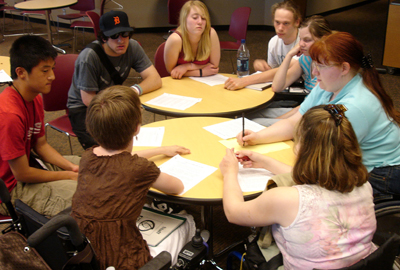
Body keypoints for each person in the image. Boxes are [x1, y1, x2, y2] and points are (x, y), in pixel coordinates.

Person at [237, 32, 400, 201]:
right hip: (342, 161)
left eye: (321, 66)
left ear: (344, 68)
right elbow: (295, 122)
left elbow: (317, 170)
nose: (314, 72)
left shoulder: (355, 107)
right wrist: (258, 137)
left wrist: (268, 161)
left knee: (301, 194)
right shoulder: (330, 84)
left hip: (381, 174)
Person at [221, 105, 377, 269]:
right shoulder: (363, 185)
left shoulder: (287, 199)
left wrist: (230, 173)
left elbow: (234, 212)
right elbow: (317, 179)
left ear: (302, 149)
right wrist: (265, 162)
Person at [71, 85, 195, 269]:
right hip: (121, 257)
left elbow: (119, 160)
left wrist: (161, 150)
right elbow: (177, 187)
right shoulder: (140, 169)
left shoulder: (88, 156)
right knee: (188, 221)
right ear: (137, 128)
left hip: (86, 249)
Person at [0, 35, 80, 217]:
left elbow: (41, 145)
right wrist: (68, 175)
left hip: (29, 163)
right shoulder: (9, 115)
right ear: (21, 73)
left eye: (52, 69)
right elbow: (22, 174)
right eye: (45, 71)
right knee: (84, 195)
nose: (52, 76)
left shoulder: (34, 96)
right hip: (10, 188)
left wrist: (70, 167)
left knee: (92, 167)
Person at [67, 10, 162, 150]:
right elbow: (88, 100)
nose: (121, 40)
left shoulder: (132, 46)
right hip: (85, 108)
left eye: (125, 34)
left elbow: (155, 79)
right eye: (114, 35)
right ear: (104, 38)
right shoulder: (89, 57)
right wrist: (122, 108)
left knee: (131, 143)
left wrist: (132, 91)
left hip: (112, 102)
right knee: (109, 151)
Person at [248, 15, 333, 126]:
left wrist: (280, 120)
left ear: (324, 39)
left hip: (313, 117)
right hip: (302, 110)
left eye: (307, 40)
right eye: (300, 39)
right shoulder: (306, 59)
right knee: (252, 114)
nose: (301, 44)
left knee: (254, 123)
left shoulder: (327, 66)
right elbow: (277, 86)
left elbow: (310, 106)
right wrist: (289, 55)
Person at [224, 0, 301, 91]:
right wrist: (264, 67)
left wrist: (244, 80)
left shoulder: (304, 42)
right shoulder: (274, 42)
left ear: (297, 22)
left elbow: (282, 71)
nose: (280, 28)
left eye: (286, 23)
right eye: (277, 22)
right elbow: (272, 73)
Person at [164, 0, 220, 79]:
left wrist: (186, 67)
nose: (200, 22)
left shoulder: (211, 33)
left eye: (203, 18)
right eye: (195, 18)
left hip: (205, 82)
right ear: (184, 19)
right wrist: (202, 72)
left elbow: (213, 68)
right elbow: (173, 72)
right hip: (180, 82)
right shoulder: (175, 39)